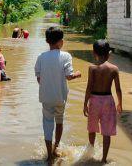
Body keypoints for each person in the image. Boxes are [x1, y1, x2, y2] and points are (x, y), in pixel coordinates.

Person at [34, 27, 81, 164]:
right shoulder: (66, 56)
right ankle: (56, 148)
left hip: (46, 98)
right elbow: (69, 76)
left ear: (47, 41)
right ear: (60, 41)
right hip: (60, 97)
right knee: (59, 122)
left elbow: (39, 79)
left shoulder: (41, 57)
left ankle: (49, 156)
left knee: (47, 124)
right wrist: (78, 74)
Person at [83, 40, 122, 164]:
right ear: (109, 54)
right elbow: (118, 89)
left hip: (94, 100)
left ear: (94, 53)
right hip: (108, 101)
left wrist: (85, 103)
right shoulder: (114, 68)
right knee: (107, 132)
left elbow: (89, 87)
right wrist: (120, 103)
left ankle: (91, 154)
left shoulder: (92, 68)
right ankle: (104, 159)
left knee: (92, 129)